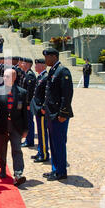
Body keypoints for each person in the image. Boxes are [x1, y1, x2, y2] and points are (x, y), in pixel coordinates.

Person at [0, 69, 28, 187]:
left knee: (17, 149)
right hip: (0, 126)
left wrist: (26, 129)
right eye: (4, 76)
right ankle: (2, 168)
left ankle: (18, 174)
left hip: (16, 127)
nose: (5, 78)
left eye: (8, 76)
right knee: (0, 150)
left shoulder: (22, 92)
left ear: (14, 77)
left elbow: (25, 113)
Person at [42, 48, 74, 181]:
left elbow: (67, 95)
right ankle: (55, 169)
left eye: (47, 57)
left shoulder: (63, 71)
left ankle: (61, 171)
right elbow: (49, 92)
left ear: (54, 56)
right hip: (51, 113)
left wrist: (63, 113)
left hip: (59, 115)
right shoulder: (53, 71)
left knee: (59, 143)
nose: (45, 60)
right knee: (53, 143)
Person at [30, 59, 50, 163]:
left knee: (42, 133)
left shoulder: (46, 77)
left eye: (37, 65)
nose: (35, 66)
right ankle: (40, 151)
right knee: (40, 131)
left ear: (43, 66)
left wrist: (43, 107)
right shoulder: (40, 76)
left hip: (41, 110)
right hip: (37, 109)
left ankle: (44, 154)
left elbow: (47, 95)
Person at [20, 58, 37, 148]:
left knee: (29, 122)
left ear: (27, 64)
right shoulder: (26, 74)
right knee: (27, 122)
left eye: (23, 63)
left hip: (28, 104)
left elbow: (29, 92)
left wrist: (27, 104)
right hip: (25, 103)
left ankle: (29, 141)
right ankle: (28, 139)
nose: (22, 64)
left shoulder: (30, 75)